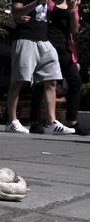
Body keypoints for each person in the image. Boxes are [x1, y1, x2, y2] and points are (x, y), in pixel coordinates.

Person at [5, 0, 75, 134]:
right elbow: (15, 11)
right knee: (18, 80)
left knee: (52, 80)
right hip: (25, 38)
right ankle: (11, 121)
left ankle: (51, 123)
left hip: (44, 41)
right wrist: (36, 2)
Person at [28, 0, 87, 135]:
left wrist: (72, 9)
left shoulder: (73, 5)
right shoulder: (48, 3)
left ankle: (72, 121)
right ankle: (35, 122)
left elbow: (75, 29)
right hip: (47, 45)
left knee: (75, 81)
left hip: (65, 49)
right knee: (42, 83)